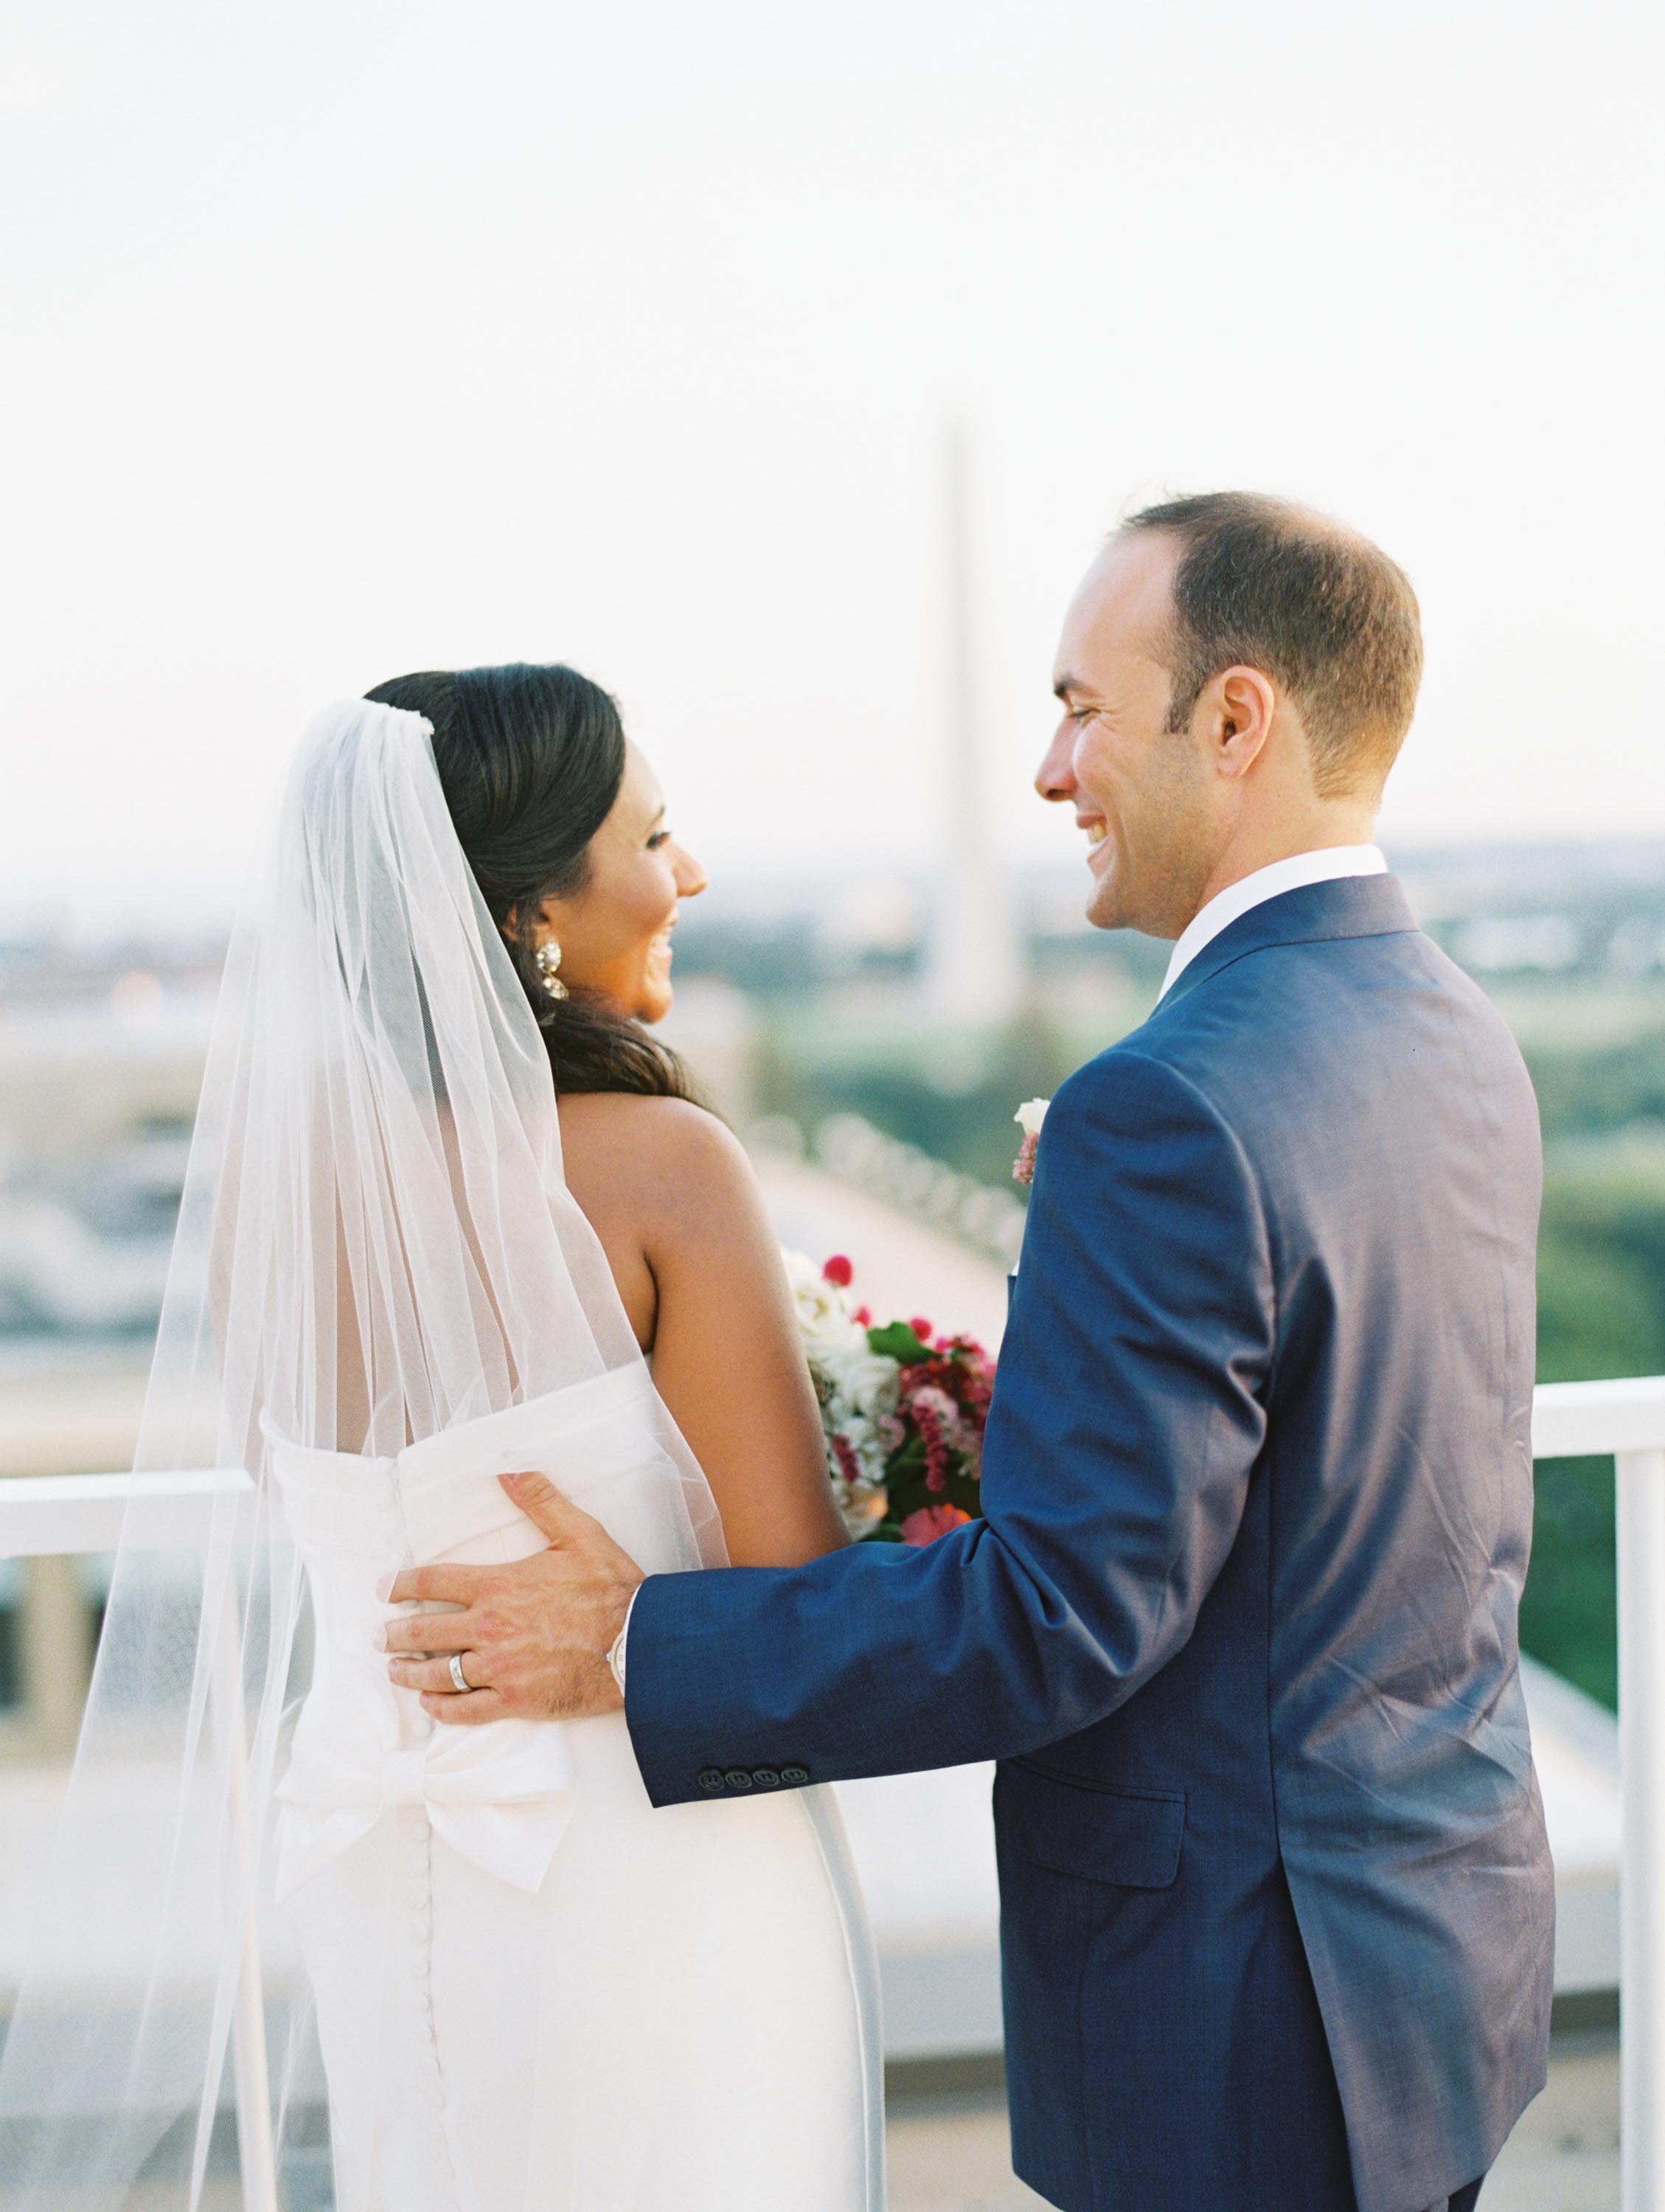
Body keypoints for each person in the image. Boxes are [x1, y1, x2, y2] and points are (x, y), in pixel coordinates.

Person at [394, 498, 1556, 2212]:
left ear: (1233, 721)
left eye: (1085, 706)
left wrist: (635, 1642)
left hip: (1237, 2000)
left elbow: (1058, 1617)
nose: (1047, 769)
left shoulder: (1163, 1103)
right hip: (1435, 1947)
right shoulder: (1451, 1028)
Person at [0, 669, 883, 2211]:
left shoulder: (272, 1207)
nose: (688, 876)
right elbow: (791, 1592)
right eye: (653, 838)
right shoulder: (664, 1168)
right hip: (651, 1862)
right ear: (531, 913)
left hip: (387, 1869)